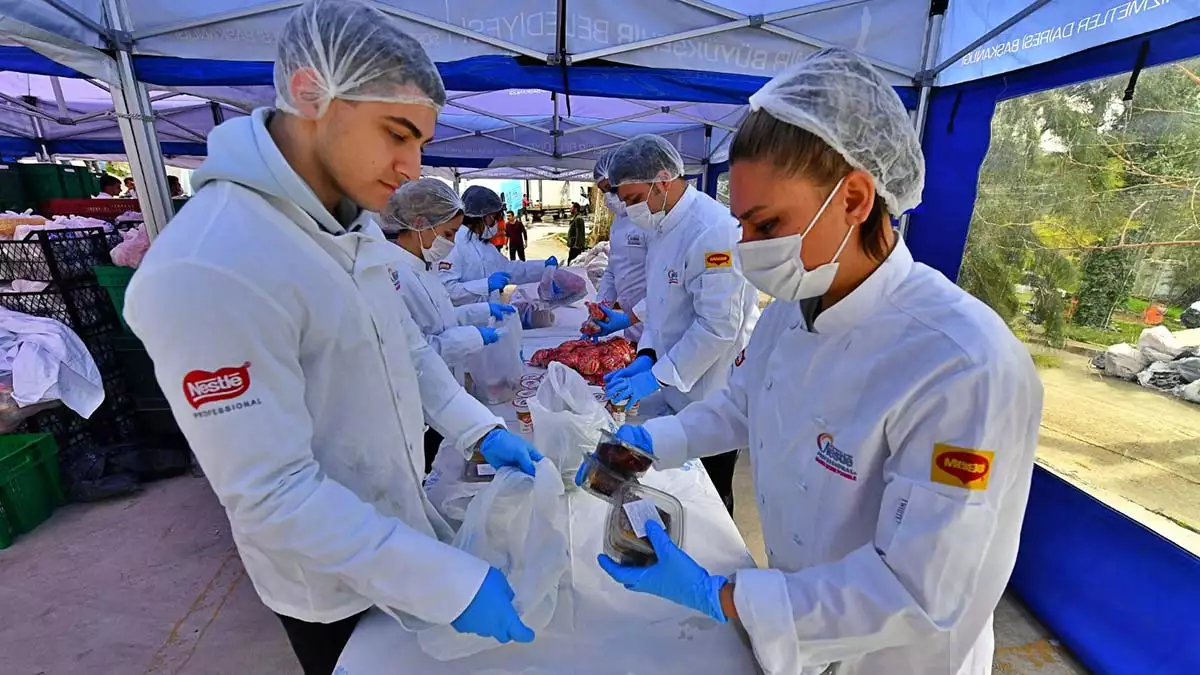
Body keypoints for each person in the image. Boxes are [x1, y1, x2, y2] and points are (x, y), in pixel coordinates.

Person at [587, 49, 1043, 675]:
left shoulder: (963, 365)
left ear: (855, 198)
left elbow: (917, 593)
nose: (746, 249)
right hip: (798, 620)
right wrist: (646, 443)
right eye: (744, 224)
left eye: (766, 223)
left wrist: (720, 595)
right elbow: (740, 404)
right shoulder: (793, 306)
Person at [121, 2, 541, 673]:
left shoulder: (347, 228)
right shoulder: (213, 263)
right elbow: (272, 493)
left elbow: (404, 347)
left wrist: (476, 428)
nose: (411, 167)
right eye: (396, 133)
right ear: (312, 92)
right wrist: (444, 581)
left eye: (421, 144)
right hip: (330, 580)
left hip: (402, 526)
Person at [592, 133, 759, 514]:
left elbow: (718, 326)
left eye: (635, 199)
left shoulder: (713, 231)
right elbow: (664, 300)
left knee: (709, 502)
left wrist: (658, 374)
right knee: (675, 491)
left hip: (710, 392)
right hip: (673, 381)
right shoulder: (663, 225)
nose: (631, 209)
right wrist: (647, 354)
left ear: (663, 180)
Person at [378, 178, 518, 473]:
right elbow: (416, 350)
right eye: (448, 233)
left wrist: (482, 311)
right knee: (426, 466)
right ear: (419, 223)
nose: (451, 243)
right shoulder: (392, 276)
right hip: (417, 402)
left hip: (442, 389)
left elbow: (444, 319)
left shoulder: (421, 267)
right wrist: (474, 336)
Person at [439, 184, 557, 305]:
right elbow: (446, 291)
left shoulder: (484, 245)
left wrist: (543, 267)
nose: (497, 222)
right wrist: (484, 286)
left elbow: (508, 269)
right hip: (465, 319)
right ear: (480, 216)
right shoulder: (454, 243)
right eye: (495, 217)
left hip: (487, 317)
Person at [593, 149, 648, 342]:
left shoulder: (649, 218)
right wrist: (601, 306)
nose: (608, 196)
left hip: (654, 325)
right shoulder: (618, 221)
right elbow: (613, 268)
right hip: (630, 329)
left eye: (611, 188)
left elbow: (666, 285)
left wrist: (631, 317)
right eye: (603, 191)